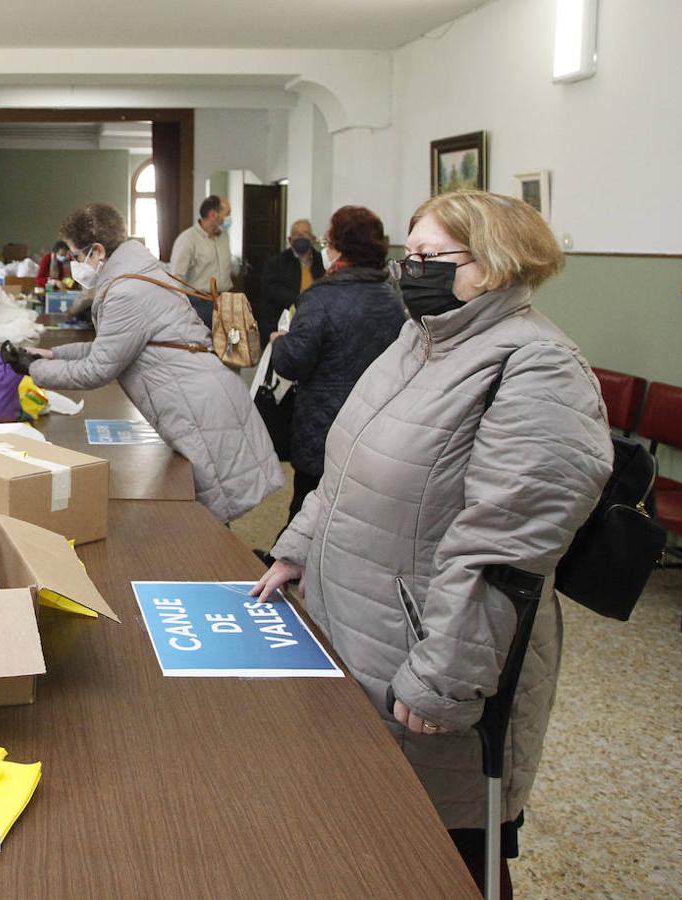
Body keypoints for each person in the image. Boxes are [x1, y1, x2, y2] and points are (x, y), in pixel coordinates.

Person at [252, 190, 613, 898]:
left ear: (496, 263)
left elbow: (506, 544)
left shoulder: (537, 367)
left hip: (428, 646)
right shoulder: (418, 338)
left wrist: (444, 674)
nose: (409, 271)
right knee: (372, 831)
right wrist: (296, 546)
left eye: (430, 258)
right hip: (355, 620)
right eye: (405, 256)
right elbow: (343, 464)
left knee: (443, 855)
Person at [2, 202, 283, 523]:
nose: (75, 265)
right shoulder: (138, 271)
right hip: (199, 389)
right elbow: (111, 348)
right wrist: (52, 355)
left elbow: (99, 369)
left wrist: (32, 369)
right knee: (204, 509)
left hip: (196, 402)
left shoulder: (127, 291)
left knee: (209, 517)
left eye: (77, 256)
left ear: (97, 251)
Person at [269, 206, 404, 523]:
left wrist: (279, 342)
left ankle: (289, 569)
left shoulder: (321, 297)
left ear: (339, 247)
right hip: (374, 423)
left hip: (324, 424)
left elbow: (292, 363)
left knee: (307, 508)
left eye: (327, 242)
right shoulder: (390, 297)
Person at [168, 194, 233, 328]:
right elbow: (176, 277)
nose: (229, 219)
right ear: (214, 215)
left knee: (226, 346)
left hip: (224, 302)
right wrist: (182, 309)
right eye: (227, 214)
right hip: (199, 304)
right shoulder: (188, 239)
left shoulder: (224, 236)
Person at [258, 219, 325, 345]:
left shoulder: (322, 263)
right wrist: (301, 301)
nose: (301, 237)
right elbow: (271, 292)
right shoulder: (276, 263)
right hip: (286, 324)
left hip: (317, 322)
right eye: (296, 234)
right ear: (289, 240)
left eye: (305, 233)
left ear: (313, 238)